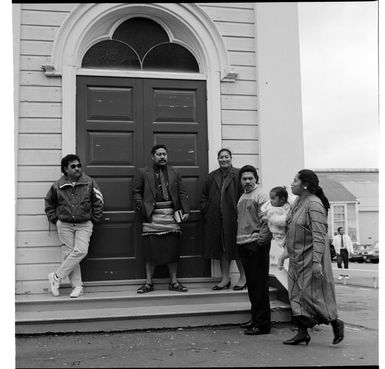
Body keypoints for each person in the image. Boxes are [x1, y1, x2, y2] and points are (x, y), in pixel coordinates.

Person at [282, 169, 344, 346]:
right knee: (295, 295)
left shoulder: (314, 204)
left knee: (311, 296)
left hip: (311, 259)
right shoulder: (298, 202)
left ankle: (334, 321)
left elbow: (319, 235)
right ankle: (302, 333)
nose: (292, 183)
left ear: (305, 185)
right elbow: (292, 227)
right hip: (296, 259)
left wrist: (317, 262)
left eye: (295, 180)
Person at [45, 154, 104, 298]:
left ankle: (56, 277)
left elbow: (99, 201)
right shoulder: (57, 186)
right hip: (64, 225)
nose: (77, 168)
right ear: (65, 169)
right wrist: (56, 220)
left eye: (79, 165)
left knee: (81, 251)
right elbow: (49, 204)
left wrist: (93, 219)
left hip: (84, 224)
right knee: (69, 254)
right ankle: (77, 287)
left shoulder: (89, 182)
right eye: (73, 166)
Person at [133, 144, 190, 293]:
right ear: (153, 156)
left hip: (171, 216)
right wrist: (142, 208)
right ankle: (148, 283)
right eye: (159, 154)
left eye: (164, 154)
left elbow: (182, 192)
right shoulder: (143, 172)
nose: (162, 156)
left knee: (172, 251)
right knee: (150, 252)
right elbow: (137, 192)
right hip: (152, 217)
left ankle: (174, 282)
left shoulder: (175, 172)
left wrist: (186, 210)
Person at [200, 148, 246, 290]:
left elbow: (245, 196)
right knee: (221, 249)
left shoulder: (238, 175)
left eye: (226, 157)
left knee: (237, 248)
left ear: (231, 158)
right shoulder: (211, 176)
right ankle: (225, 279)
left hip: (234, 219)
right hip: (216, 219)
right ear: (218, 159)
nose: (223, 159)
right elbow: (204, 196)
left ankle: (243, 278)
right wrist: (206, 210)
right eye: (221, 157)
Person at [236, 165, 272, 335]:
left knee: (260, 286)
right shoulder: (242, 196)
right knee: (252, 285)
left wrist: (260, 242)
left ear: (256, 178)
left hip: (256, 245)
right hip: (244, 244)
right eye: (244, 179)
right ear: (241, 180)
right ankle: (255, 319)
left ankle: (263, 324)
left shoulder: (261, 195)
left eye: (251, 178)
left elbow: (267, 221)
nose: (248, 181)